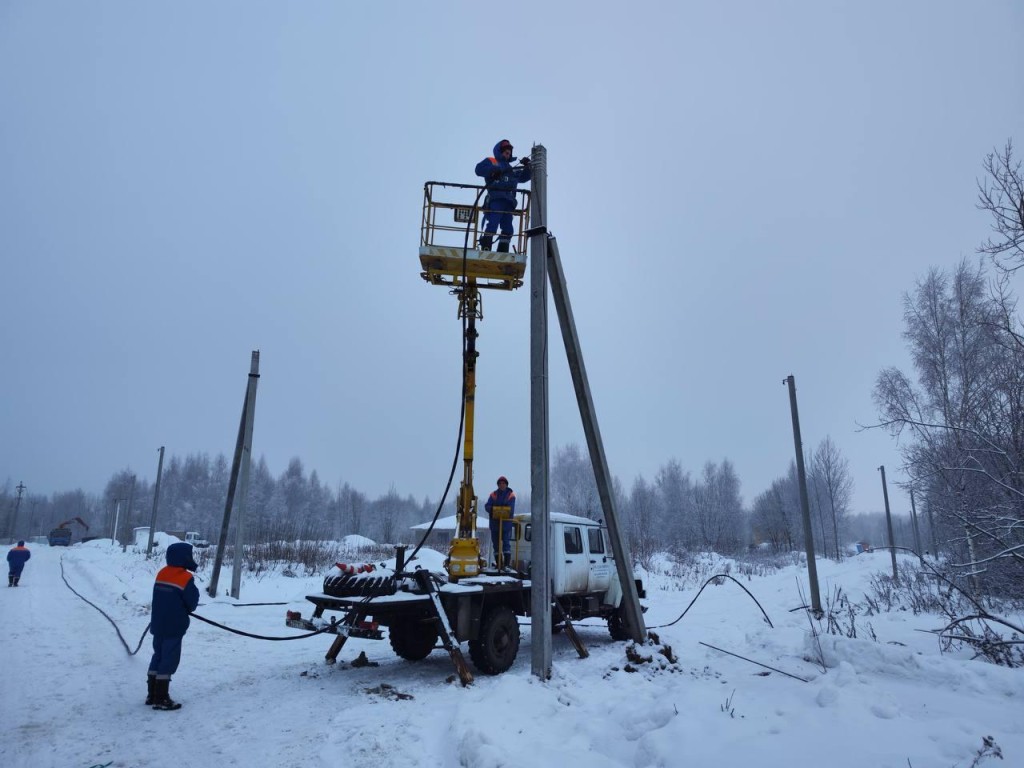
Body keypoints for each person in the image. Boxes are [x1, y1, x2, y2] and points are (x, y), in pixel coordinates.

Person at [147, 542, 199, 711]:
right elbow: (191, 602)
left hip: (158, 624)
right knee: (169, 659)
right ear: (184, 558)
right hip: (174, 626)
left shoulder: (162, 573)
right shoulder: (184, 577)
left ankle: (151, 694)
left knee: (158, 655)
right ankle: (161, 698)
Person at [474, 139, 531, 252]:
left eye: (509, 153)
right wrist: (493, 170)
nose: (508, 155)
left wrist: (528, 167)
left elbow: (524, 177)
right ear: (500, 151)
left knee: (508, 228)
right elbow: (478, 169)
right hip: (496, 199)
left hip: (509, 202)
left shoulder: (511, 170)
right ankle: (486, 247)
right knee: (493, 224)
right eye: (506, 152)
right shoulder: (492, 161)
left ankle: (503, 250)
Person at [484, 476, 516, 567]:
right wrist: (497, 509)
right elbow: (487, 506)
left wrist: (496, 509)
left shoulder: (511, 495)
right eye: (500, 483)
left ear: (506, 484)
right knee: (496, 545)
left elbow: (510, 509)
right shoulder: (493, 495)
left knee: (506, 543)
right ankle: (499, 564)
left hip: (506, 524)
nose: (502, 485)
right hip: (494, 525)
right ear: (498, 485)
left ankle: (506, 564)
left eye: (503, 483)